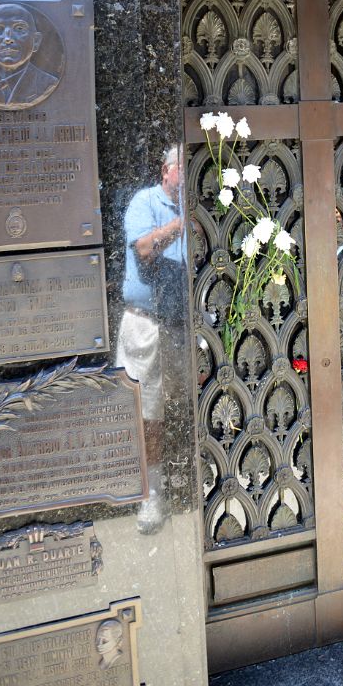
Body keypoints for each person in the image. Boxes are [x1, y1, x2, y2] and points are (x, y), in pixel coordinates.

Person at [116, 145, 186, 533]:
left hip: (182, 328)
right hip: (146, 327)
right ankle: (151, 496)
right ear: (166, 170)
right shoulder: (145, 202)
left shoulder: (198, 214)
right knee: (149, 416)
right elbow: (143, 249)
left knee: (183, 409)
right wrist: (180, 224)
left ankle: (187, 482)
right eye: (184, 170)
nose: (188, 179)